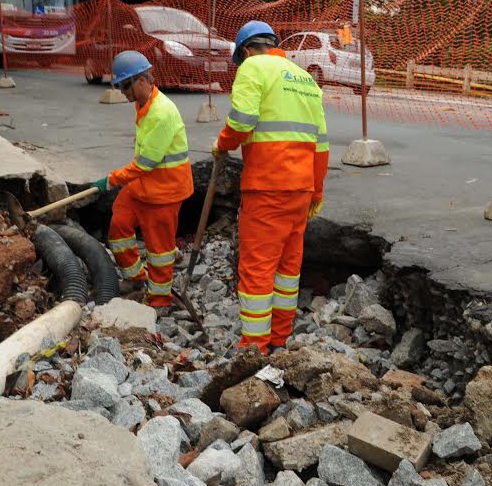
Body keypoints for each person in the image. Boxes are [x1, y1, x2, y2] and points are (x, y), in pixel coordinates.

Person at [213, 20, 329, 353]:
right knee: (287, 269)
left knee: (258, 267)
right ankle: (279, 337)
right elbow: (321, 145)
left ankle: (254, 345)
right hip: (301, 190)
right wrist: (316, 191)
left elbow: (242, 120)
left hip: (268, 188)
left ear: (246, 50)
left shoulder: (253, 68)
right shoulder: (305, 79)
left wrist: (223, 144)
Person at [92, 51, 193, 309]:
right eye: (119, 86)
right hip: (143, 185)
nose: (122, 92)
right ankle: (136, 277)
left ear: (141, 81)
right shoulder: (143, 105)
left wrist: (112, 179)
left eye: (125, 85)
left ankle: (159, 300)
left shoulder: (162, 113)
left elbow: (146, 163)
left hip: (165, 190)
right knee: (119, 226)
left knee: (159, 250)